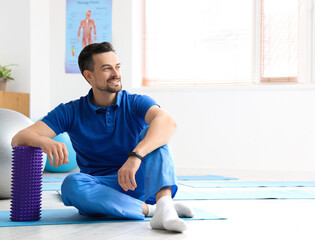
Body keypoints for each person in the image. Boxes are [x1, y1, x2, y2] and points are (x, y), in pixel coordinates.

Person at [11, 42, 193, 232]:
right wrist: (42, 140)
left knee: (157, 132)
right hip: (100, 188)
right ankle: (156, 210)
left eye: (118, 67)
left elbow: (168, 122)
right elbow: (19, 138)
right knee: (72, 184)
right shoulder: (71, 111)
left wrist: (135, 156)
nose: (116, 74)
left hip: (138, 179)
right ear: (89, 75)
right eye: (107, 69)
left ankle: (164, 202)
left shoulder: (136, 102)